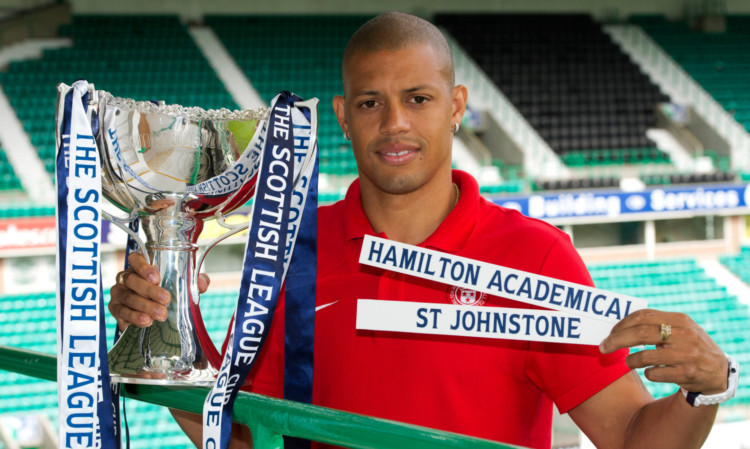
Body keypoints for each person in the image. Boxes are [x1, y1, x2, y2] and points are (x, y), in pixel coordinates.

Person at [109, 12, 734, 449]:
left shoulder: (536, 257)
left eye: (419, 98)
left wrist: (703, 392)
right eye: (370, 102)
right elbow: (251, 441)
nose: (394, 124)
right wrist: (164, 325)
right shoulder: (292, 251)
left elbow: (630, 439)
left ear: (457, 106)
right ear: (343, 117)